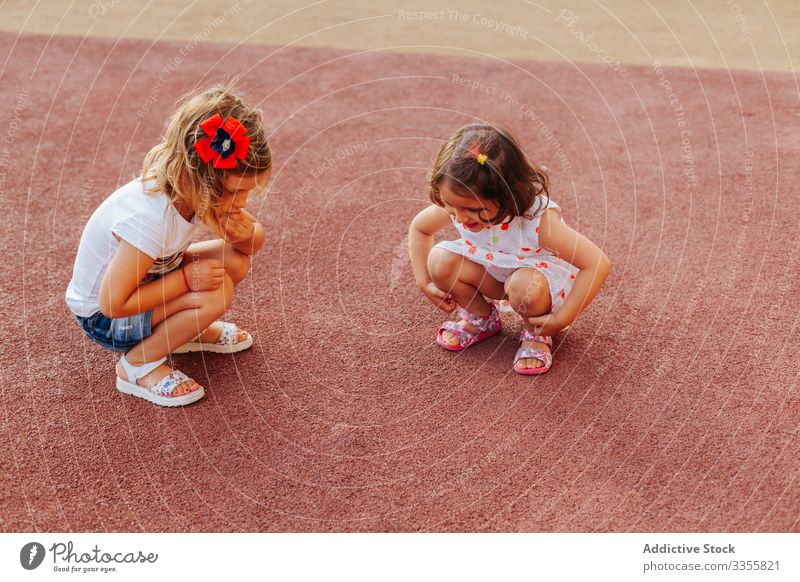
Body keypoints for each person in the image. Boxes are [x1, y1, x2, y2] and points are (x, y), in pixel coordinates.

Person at [66, 85, 270, 405]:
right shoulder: (149, 219)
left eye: (246, 191)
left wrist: (244, 235)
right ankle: (138, 365)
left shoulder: (193, 192)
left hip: (149, 282)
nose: (240, 202)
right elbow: (112, 304)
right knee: (217, 293)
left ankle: (184, 331)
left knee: (234, 260)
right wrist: (186, 281)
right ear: (195, 176)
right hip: (106, 320)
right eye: (233, 193)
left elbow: (249, 247)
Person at [408, 123, 611, 374]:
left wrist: (562, 319)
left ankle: (535, 333)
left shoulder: (538, 221)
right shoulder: (460, 204)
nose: (459, 218)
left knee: (524, 284)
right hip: (491, 272)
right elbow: (420, 229)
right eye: (451, 205)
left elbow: (597, 263)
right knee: (439, 259)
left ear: (509, 194)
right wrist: (424, 282)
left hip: (535, 282)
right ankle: (482, 319)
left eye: (475, 210)